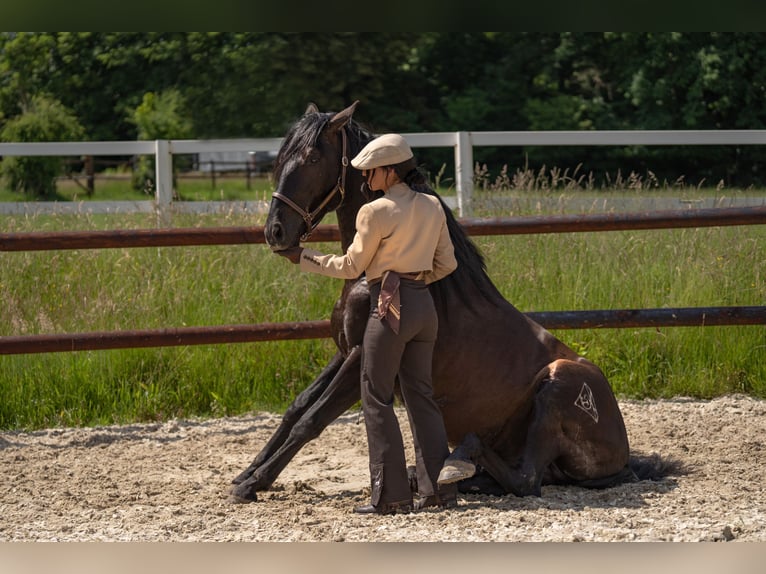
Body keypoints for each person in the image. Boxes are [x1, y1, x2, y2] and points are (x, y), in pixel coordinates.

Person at [276, 133, 458, 515]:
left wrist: (303, 258)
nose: (366, 178)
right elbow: (448, 264)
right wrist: (415, 279)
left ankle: (390, 496)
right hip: (424, 307)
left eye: (371, 171)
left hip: (389, 308)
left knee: (375, 396)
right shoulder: (432, 206)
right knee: (421, 397)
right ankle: (436, 491)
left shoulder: (373, 212)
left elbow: (351, 267)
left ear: (390, 172)